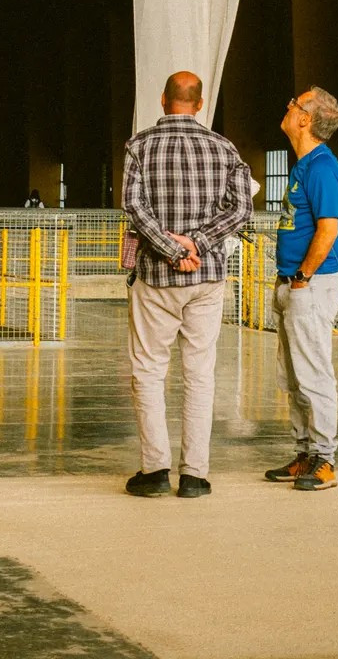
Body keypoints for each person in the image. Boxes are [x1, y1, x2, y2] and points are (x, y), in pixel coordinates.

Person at [121, 69, 253, 499]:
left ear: (163, 100)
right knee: (199, 374)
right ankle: (194, 474)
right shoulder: (225, 148)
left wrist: (171, 248)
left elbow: (134, 207)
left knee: (149, 370)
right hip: (207, 278)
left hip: (156, 280)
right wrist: (196, 243)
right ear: (199, 104)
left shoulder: (139, 145)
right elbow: (242, 210)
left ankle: (154, 470)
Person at [265, 86, 338, 493]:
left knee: (313, 372)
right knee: (293, 375)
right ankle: (306, 453)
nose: (287, 105)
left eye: (293, 103)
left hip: (308, 286)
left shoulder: (321, 167)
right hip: (291, 282)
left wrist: (303, 277)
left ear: (305, 119)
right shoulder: (301, 166)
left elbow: (329, 229)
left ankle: (325, 458)